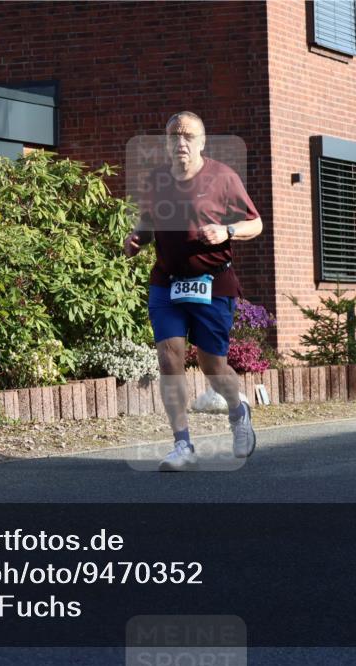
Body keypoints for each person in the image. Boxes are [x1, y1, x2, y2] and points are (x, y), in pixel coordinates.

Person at [124, 111, 263, 472]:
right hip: (167, 282)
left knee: (212, 365)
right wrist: (139, 237)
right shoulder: (157, 180)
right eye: (174, 136)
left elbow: (256, 223)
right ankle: (182, 445)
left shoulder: (223, 178)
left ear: (202, 142)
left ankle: (238, 410)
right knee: (170, 360)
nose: (181, 142)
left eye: (188, 136)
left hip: (213, 282)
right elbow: (151, 219)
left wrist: (227, 231)